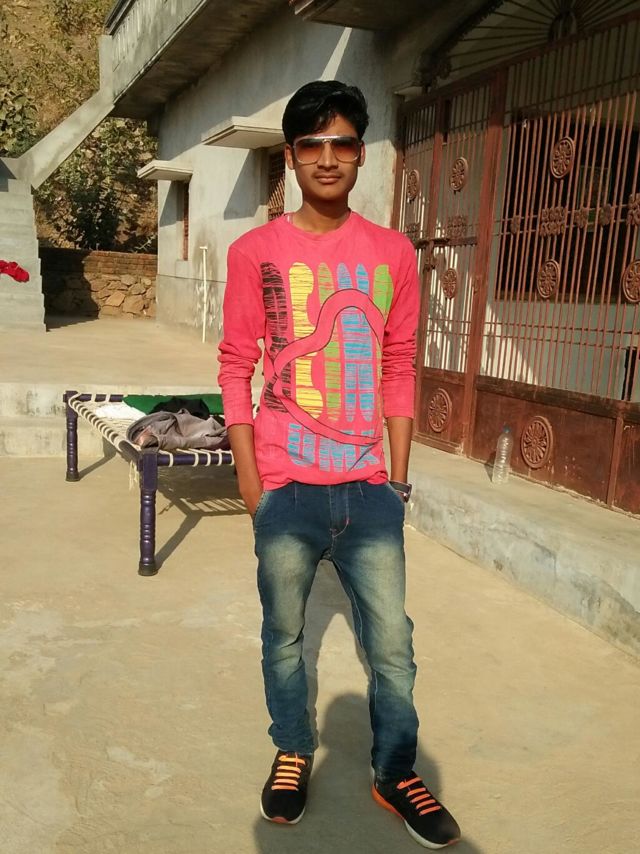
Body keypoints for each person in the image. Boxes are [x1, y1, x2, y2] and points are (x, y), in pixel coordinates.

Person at [218, 80, 460, 849]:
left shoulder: (392, 253)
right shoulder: (255, 252)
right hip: (286, 488)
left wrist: (397, 480)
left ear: (361, 154)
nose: (328, 158)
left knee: (391, 644)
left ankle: (395, 770)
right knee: (284, 635)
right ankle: (293, 749)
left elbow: (399, 364)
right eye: (312, 144)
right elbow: (235, 365)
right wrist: (252, 480)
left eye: (343, 143)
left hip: (368, 489)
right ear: (291, 157)